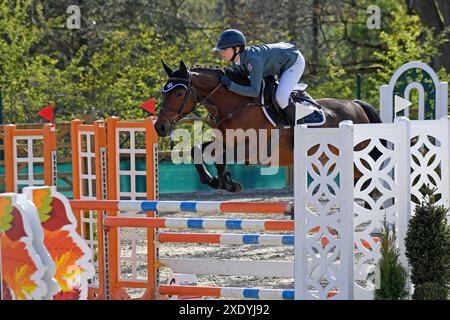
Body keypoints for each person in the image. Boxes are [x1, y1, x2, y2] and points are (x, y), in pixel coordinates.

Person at [213, 29, 314, 125]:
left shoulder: (253, 60)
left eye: (224, 49)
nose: (221, 52)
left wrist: (231, 85)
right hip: (279, 60)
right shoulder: (236, 61)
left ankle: (302, 123)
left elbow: (254, 91)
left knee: (281, 98)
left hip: (293, 61)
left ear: (237, 49)